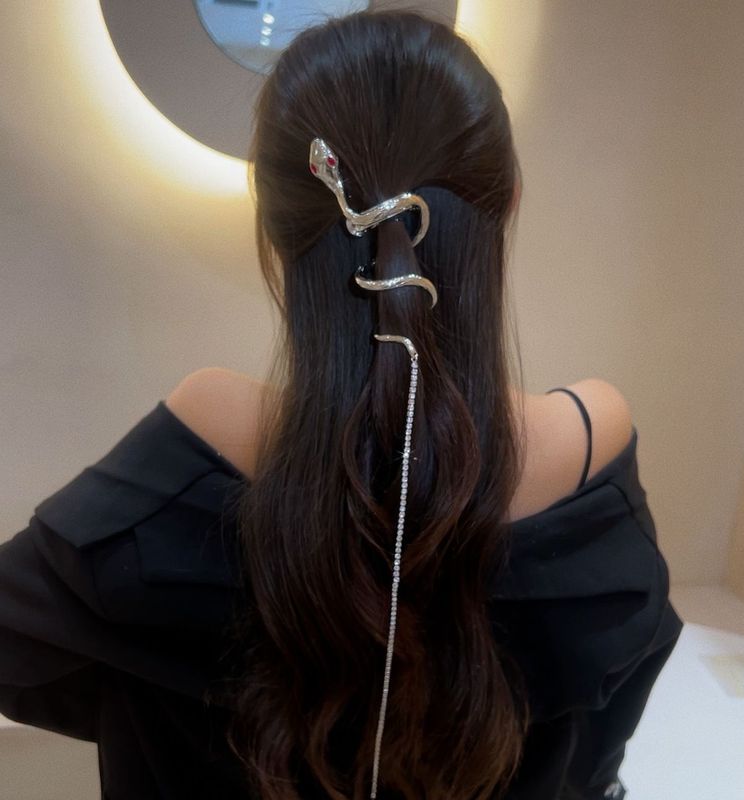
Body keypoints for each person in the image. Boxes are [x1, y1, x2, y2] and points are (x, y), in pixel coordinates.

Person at [0, 8, 684, 800]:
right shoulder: (591, 440)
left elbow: (20, 649)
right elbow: (596, 754)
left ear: (272, 220)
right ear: (509, 203)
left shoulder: (208, 425)